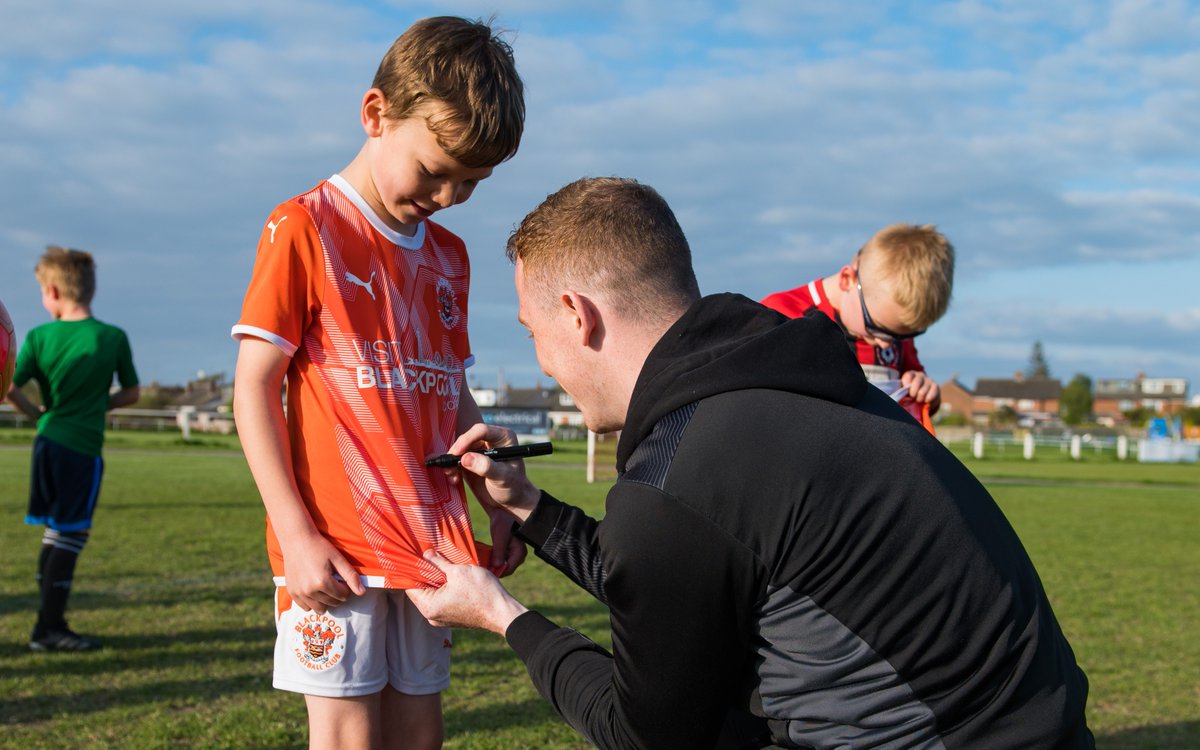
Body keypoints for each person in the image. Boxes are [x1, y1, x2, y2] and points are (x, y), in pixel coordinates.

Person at [407, 177, 1095, 749]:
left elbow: (641, 733)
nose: (544, 362)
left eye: (534, 335)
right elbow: (679, 576)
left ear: (575, 314)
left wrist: (504, 617)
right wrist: (527, 507)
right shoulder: (800, 384)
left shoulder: (685, 469)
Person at [230, 16, 525, 750]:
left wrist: (494, 497)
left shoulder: (451, 254)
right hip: (336, 550)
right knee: (348, 738)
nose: (451, 196)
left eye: (473, 182)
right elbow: (254, 389)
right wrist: (296, 537)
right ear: (376, 115)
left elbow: (450, 389)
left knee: (420, 733)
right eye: (436, 171)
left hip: (432, 544)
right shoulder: (305, 227)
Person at [6, 246, 140, 652]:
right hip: (81, 447)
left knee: (55, 532)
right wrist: (101, 403)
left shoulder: (38, 337)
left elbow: (9, 385)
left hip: (46, 443)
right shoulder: (111, 337)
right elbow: (132, 393)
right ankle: (48, 628)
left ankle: (48, 623)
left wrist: (34, 412)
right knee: (71, 535)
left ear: (53, 291)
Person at [761, 223, 954, 420]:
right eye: (875, 327)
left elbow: (913, 383)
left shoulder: (893, 328)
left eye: (907, 335)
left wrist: (926, 392)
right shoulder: (780, 315)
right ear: (847, 279)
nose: (886, 343)